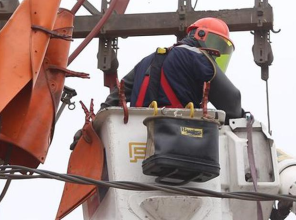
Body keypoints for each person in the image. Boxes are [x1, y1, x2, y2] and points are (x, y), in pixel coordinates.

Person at [71, 17, 244, 149]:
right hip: (179, 140)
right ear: (200, 35)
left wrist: (92, 129)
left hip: (136, 142)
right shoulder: (196, 56)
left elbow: (116, 96)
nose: (214, 56)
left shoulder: (148, 61)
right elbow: (232, 100)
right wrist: (241, 119)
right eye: (217, 45)